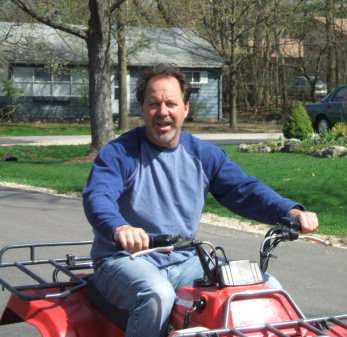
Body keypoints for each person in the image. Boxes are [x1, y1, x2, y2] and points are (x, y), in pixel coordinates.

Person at [83, 63, 318, 337]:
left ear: (185, 108)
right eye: (153, 104)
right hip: (125, 259)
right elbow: (97, 195)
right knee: (156, 295)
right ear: (143, 109)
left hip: (185, 260)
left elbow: (243, 189)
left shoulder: (204, 155)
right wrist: (119, 228)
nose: (162, 112)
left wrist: (289, 210)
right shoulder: (119, 153)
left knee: (262, 285)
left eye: (171, 103)